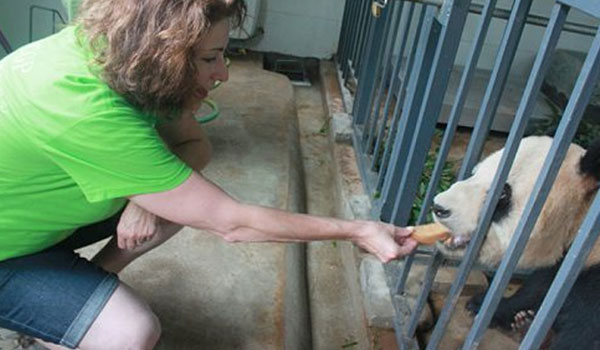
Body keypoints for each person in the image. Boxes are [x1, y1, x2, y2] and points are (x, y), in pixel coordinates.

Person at [0, 0, 418, 349]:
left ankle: (90, 282)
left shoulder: (115, 53)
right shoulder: (84, 109)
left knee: (177, 204)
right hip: (7, 255)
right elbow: (231, 222)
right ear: (162, 50)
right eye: (209, 58)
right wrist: (357, 230)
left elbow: (196, 147)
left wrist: (140, 197)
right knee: (130, 333)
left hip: (31, 220)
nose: (223, 73)